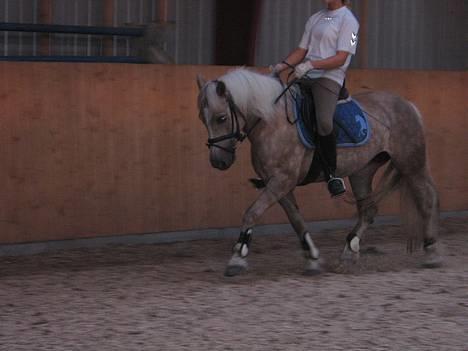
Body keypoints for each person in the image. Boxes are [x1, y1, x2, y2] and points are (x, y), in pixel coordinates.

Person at [272, 0, 359, 197]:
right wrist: (281, 66)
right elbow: (301, 50)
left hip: (329, 78)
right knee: (282, 108)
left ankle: (332, 174)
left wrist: (312, 65)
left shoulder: (350, 21)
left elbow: (342, 58)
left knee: (324, 122)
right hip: (305, 75)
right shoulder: (316, 17)